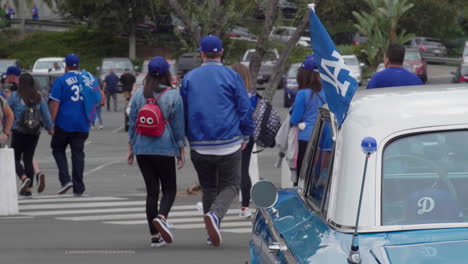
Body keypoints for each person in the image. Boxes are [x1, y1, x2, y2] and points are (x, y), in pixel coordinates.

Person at [180, 35, 254, 247]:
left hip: (199, 143)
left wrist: (186, 138)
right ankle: (215, 215)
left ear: (202, 53)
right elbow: (244, 108)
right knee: (231, 184)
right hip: (228, 141)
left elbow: (183, 111)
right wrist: (246, 134)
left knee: (209, 187)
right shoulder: (231, 76)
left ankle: (211, 232)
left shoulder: (190, 78)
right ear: (221, 52)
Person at [128, 56, 185, 248]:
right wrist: (181, 149)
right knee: (169, 188)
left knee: (152, 191)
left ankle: (154, 237)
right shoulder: (173, 95)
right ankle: (162, 216)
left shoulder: (138, 95)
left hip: (142, 149)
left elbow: (133, 124)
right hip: (164, 148)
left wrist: (131, 147)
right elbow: (178, 126)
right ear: (167, 74)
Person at [49, 53, 101, 196]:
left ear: (66, 65)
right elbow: (99, 99)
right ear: (78, 65)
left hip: (64, 122)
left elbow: (55, 103)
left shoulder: (61, 80)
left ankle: (66, 180)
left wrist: (51, 122)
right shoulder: (88, 78)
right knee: (78, 154)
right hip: (83, 122)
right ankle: (79, 187)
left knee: (58, 148)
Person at [8, 73, 53, 196]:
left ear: (20, 84)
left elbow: (6, 111)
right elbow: (46, 116)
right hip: (34, 132)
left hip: (19, 131)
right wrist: (50, 128)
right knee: (28, 158)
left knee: (14, 158)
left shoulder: (15, 96)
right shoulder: (38, 97)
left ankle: (23, 178)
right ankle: (29, 188)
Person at [290, 57, 326, 186]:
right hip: (323, 138)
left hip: (305, 138)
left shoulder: (302, 94)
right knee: (317, 175)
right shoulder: (327, 92)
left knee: (303, 177)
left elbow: (294, 120)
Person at [230, 63, 258, 219]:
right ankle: (245, 206)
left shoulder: (232, 95)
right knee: (244, 170)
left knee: (227, 170)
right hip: (248, 135)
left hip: (233, 135)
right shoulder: (252, 94)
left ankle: (213, 202)